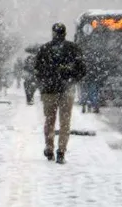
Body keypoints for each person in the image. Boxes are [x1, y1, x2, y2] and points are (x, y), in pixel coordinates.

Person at [34, 23, 86, 164]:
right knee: (65, 121)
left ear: (53, 33)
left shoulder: (45, 49)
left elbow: (37, 70)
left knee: (49, 120)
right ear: (65, 33)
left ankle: (49, 147)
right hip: (66, 89)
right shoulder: (73, 49)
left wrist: (44, 81)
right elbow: (82, 69)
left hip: (49, 90)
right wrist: (71, 79)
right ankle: (61, 150)